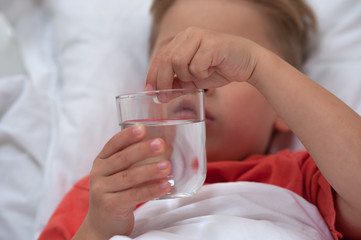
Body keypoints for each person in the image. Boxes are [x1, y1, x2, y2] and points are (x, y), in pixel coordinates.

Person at [39, 0, 361, 239]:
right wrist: (97, 228)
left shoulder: (306, 179)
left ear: (282, 107)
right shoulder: (105, 192)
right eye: (176, 59)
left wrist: (259, 65)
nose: (198, 81)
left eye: (227, 65)